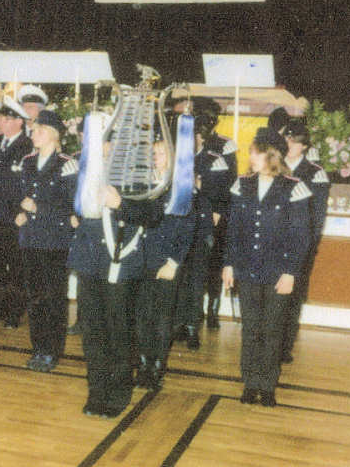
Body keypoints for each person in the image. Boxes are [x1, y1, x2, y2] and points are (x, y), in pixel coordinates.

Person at [69, 136, 162, 418]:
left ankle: (119, 393)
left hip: (120, 264)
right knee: (93, 333)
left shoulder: (138, 176)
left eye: (110, 142)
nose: (105, 149)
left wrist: (120, 203)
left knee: (119, 332)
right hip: (89, 262)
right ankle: (96, 392)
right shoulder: (86, 171)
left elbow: (153, 214)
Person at [222, 127, 312, 407]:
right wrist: (228, 264)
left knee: (273, 330)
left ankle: (268, 385)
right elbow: (233, 229)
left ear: (271, 155)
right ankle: (250, 383)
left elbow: (301, 236)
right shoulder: (242, 184)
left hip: (278, 272)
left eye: (256, 152)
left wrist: (290, 272)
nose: (251, 157)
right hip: (247, 268)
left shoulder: (294, 187)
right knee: (251, 329)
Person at [14, 110, 76, 372]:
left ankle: (52, 350)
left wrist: (39, 208)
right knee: (35, 298)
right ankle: (38, 348)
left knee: (54, 298)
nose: (33, 135)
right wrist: (20, 212)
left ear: (53, 134)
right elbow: (19, 194)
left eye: (39, 130)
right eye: (33, 130)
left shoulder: (66, 164)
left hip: (55, 241)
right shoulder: (28, 162)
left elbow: (72, 207)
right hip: (30, 238)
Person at [135, 139, 194, 389]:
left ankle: (157, 365)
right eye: (153, 153)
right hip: (140, 260)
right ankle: (143, 363)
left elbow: (187, 229)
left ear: (172, 158)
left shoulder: (180, 189)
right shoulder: (142, 187)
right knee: (141, 316)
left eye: (160, 153)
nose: (155, 157)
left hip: (165, 262)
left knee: (161, 317)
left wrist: (174, 262)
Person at [173, 115, 232, 349]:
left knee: (197, 280)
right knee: (179, 278)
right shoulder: (178, 159)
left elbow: (222, 195)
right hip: (179, 226)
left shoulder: (215, 161)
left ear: (199, 137)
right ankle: (178, 323)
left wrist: (203, 193)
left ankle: (192, 327)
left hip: (201, 227)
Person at [0, 96, 33, 327]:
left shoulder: (28, 146)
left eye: (7, 119)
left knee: (17, 266)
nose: (1, 122)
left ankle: (15, 311)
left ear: (19, 122)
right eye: (0, 118)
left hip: (14, 217)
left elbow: (31, 182)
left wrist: (24, 211)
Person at [280, 121, 330, 363]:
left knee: (293, 295)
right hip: (273, 242)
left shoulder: (315, 173)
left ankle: (285, 345)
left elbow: (317, 215)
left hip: (301, 243)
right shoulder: (275, 166)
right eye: (287, 140)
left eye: (295, 142)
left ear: (305, 146)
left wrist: (310, 244)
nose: (290, 145)